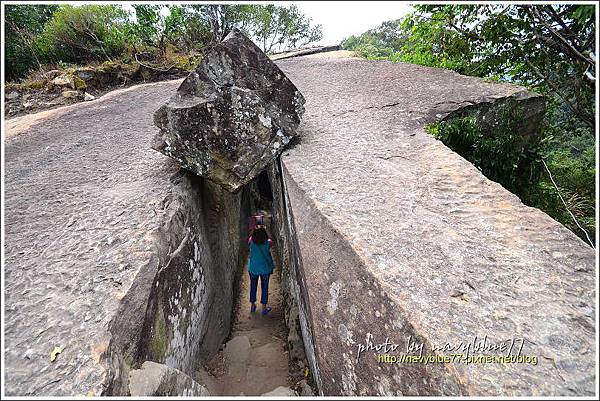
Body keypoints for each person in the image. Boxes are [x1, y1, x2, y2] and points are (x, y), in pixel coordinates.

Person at [247, 225, 274, 315]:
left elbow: (250, 244)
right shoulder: (268, 242)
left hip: (253, 268)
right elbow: (270, 244)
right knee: (265, 287)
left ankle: (253, 305)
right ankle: (264, 308)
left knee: (253, 286)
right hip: (265, 269)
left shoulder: (251, 241)